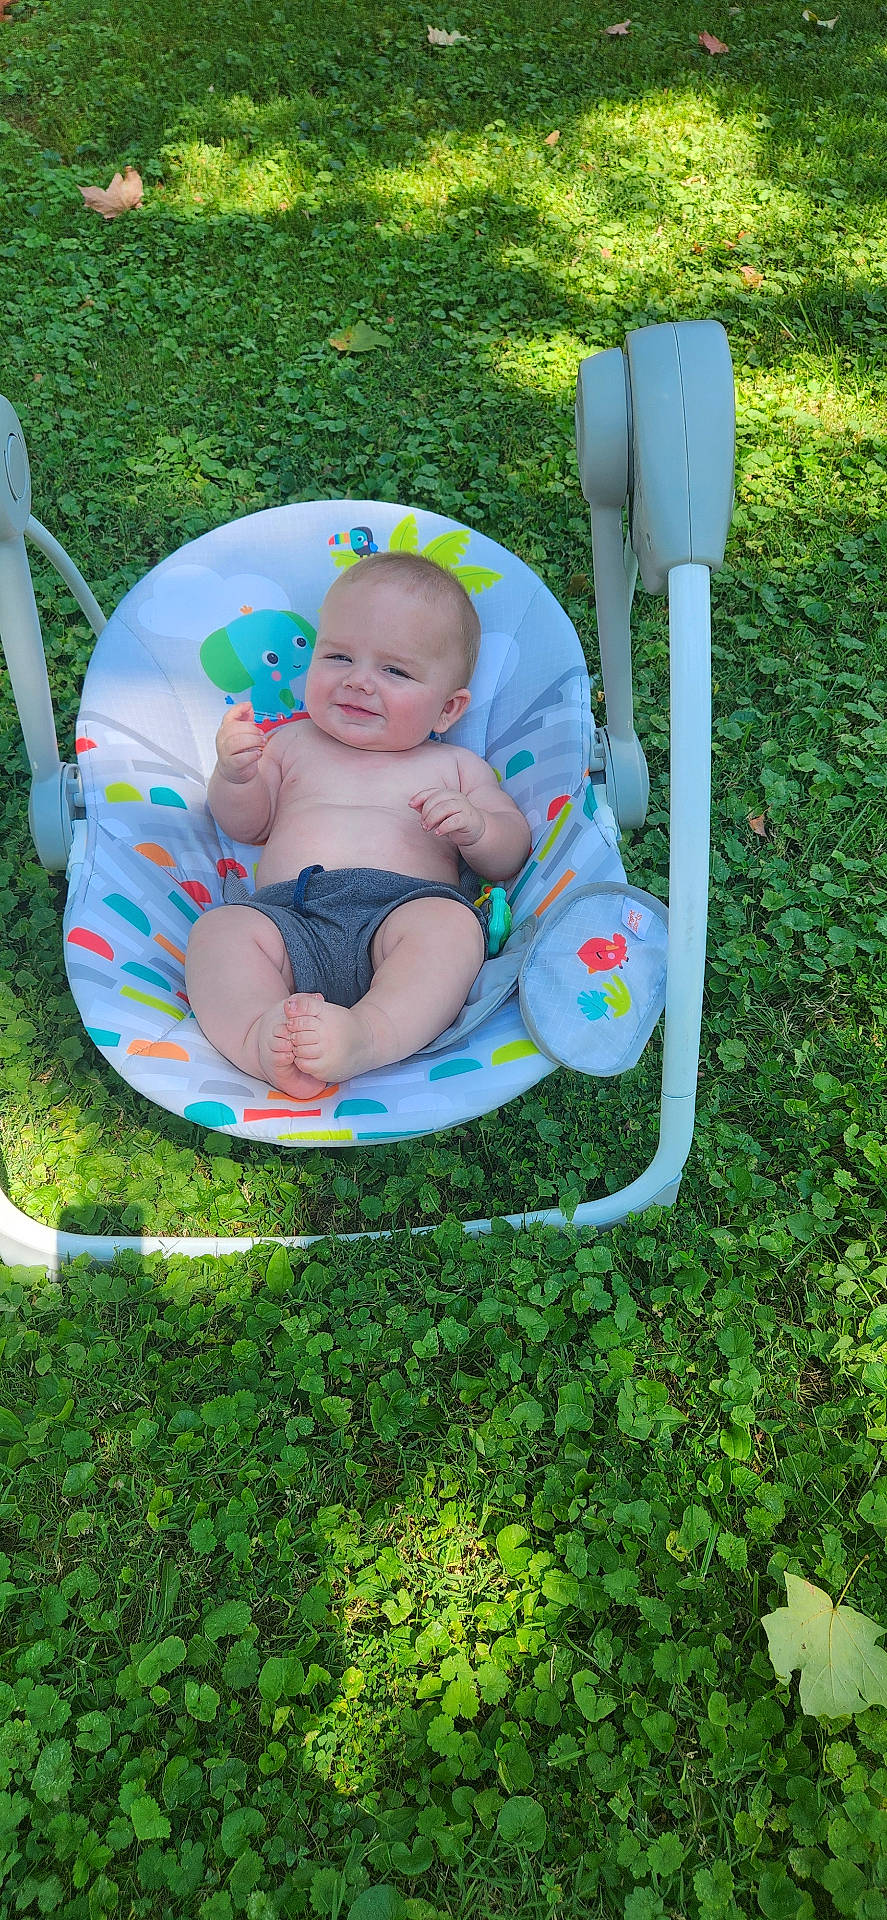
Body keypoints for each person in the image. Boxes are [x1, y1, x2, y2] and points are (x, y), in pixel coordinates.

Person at [185, 551, 532, 1098]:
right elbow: (246, 827)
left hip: (403, 913)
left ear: (448, 710)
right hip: (288, 913)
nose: (358, 682)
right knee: (219, 933)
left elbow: (510, 854)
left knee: (450, 930)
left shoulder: (455, 767)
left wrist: (477, 829)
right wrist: (235, 776)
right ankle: (261, 1036)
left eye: (394, 670)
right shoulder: (291, 744)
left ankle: (367, 1036)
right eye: (339, 657)